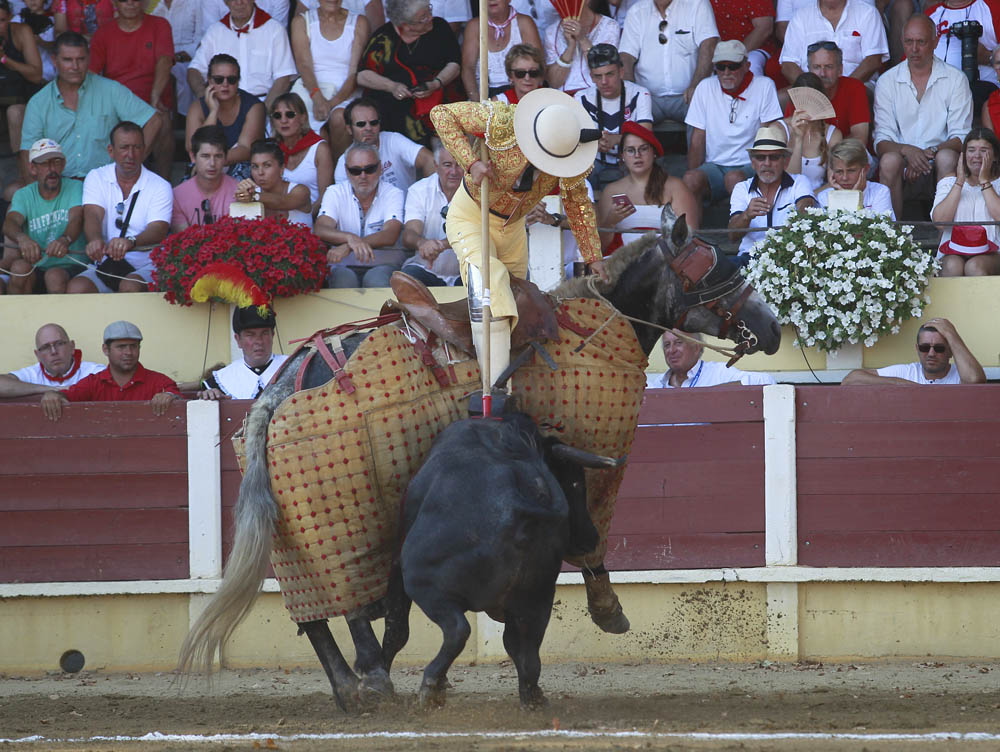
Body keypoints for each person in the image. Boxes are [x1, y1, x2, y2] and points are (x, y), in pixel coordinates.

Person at [429, 89, 607, 389]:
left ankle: (502, 380)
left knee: (519, 300)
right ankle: (496, 389)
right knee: (491, 282)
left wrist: (593, 257)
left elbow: (577, 204)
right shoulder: (501, 120)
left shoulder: (570, 146)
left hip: (513, 228)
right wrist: (470, 163)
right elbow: (440, 114)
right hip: (472, 214)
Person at [19, 31, 159, 181]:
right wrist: (37, 197)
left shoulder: (110, 90)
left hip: (107, 181)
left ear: (89, 59)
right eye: (67, 60)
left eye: (81, 59)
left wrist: (132, 165)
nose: (75, 66)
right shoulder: (39, 102)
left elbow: (153, 121)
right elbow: (28, 151)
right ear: (54, 60)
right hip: (60, 186)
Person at [874, 14, 971, 220]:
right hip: (902, 160)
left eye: (921, 42)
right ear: (902, 42)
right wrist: (908, 151)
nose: (914, 49)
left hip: (939, 156)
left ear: (935, 42)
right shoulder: (887, 81)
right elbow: (881, 141)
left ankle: (944, 238)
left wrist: (927, 154)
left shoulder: (956, 79)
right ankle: (890, 239)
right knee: (889, 161)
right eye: (909, 42)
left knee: (947, 158)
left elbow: (961, 137)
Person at [71, 121, 173, 294]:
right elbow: (93, 215)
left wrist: (131, 241)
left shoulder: (160, 185)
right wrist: (95, 239)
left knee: (129, 286)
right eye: (124, 147)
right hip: (106, 264)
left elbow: (158, 229)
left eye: (136, 147)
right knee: (77, 288)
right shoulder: (96, 177)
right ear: (111, 151)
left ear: (144, 149)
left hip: (145, 265)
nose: (130, 155)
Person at [683, 39, 783, 204]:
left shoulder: (764, 85)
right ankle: (691, 230)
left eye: (733, 66)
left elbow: (768, 133)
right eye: (721, 67)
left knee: (734, 179)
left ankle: (740, 229)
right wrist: (696, 172)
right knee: (690, 179)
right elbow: (697, 139)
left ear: (747, 65)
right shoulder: (705, 87)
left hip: (749, 164)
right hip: (714, 165)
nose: (726, 72)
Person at [87, 0, 175, 178]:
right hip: (117, 103)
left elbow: (165, 60)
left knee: (162, 119)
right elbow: (91, 75)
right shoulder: (103, 33)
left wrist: (155, 95)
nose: (130, 3)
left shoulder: (160, 25)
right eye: (123, 0)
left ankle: (163, 183)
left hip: (151, 99)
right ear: (114, 3)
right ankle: (122, 176)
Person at [356, 0, 463, 144]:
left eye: (429, 10)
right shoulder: (383, 37)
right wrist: (392, 86)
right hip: (394, 111)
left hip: (437, 106)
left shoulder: (440, 27)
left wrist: (436, 83)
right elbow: (362, 76)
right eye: (423, 18)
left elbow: (455, 64)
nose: (430, 17)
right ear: (405, 24)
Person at [40, 320, 182, 420]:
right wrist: (53, 395)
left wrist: (170, 396)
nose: (128, 352)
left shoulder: (159, 381)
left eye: (133, 346)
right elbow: (67, 396)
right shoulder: (93, 383)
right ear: (105, 349)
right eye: (121, 347)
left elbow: (176, 396)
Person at [2, 138, 87, 294]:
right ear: (33, 168)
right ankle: (18, 318)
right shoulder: (24, 194)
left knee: (54, 276)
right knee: (19, 268)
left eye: (56, 162)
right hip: (37, 266)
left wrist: (65, 239)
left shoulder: (75, 187)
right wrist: (22, 239)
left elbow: (77, 218)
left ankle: (57, 319)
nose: (51, 169)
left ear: (63, 165)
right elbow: (10, 222)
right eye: (44, 164)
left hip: (72, 266)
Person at [598, 122, 700, 250]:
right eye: (630, 150)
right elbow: (599, 248)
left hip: (666, 263)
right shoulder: (611, 191)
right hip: (620, 264)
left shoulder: (676, 188)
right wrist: (610, 222)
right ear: (622, 156)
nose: (637, 155)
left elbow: (689, 240)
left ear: (654, 153)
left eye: (643, 148)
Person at [315, 142, 405, 287]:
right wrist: (350, 238)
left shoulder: (393, 193)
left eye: (370, 169)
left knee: (377, 281)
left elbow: (390, 234)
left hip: (384, 264)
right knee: (343, 281)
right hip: (343, 266)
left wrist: (349, 246)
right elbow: (320, 229)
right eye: (355, 171)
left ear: (380, 168)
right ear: (346, 170)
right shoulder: (334, 192)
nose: (363, 176)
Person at [619, 0, 718, 124]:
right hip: (648, 96)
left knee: (704, 117)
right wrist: (630, 88)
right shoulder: (636, 11)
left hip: (688, 95)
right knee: (630, 120)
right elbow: (626, 55)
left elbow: (709, 46)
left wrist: (696, 86)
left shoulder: (697, 4)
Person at [729, 123, 817, 260]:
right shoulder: (742, 188)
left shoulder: (799, 182)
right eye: (760, 158)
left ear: (785, 162)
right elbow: (732, 236)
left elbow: (806, 207)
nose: (767, 163)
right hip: (749, 258)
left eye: (774, 157)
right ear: (753, 163)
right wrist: (746, 215)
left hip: (788, 257)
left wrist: (799, 217)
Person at [187, 0, 296, 111]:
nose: (239, 2)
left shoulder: (275, 30)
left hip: (263, 104)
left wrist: (262, 112)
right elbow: (195, 70)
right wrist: (206, 100)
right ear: (226, 2)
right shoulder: (215, 32)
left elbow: (283, 78)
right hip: (223, 108)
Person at [574, 43, 653, 192]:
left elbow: (646, 135)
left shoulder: (640, 94)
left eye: (610, 74)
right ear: (591, 77)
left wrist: (616, 140)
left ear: (621, 72)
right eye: (598, 76)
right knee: (574, 175)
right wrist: (595, 144)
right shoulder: (581, 98)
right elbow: (574, 137)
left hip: (631, 161)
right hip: (594, 161)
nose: (604, 82)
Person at [289, 0, 369, 144]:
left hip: (346, 92)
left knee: (339, 117)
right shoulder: (301, 21)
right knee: (290, 115)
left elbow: (354, 72)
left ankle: (337, 164)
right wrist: (318, 98)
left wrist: (331, 104)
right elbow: (304, 65)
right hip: (311, 89)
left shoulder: (359, 22)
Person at [184, 53, 266, 181]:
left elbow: (246, 149)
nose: (225, 84)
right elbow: (192, 147)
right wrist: (213, 112)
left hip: (239, 164)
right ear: (210, 81)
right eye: (218, 79)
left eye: (231, 80)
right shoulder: (197, 107)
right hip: (205, 165)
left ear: (238, 81)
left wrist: (213, 161)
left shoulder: (254, 106)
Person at [930, 127, 1000, 277]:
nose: (976, 156)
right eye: (971, 150)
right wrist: (959, 182)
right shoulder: (950, 181)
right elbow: (940, 222)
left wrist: (984, 181)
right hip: (953, 251)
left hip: (994, 253)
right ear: (963, 155)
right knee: (952, 266)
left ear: (994, 156)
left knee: (974, 266)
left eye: (983, 150)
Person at [842, 318, 986, 385]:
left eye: (939, 348)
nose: (931, 353)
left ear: (950, 351)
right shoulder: (907, 373)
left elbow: (975, 380)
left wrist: (952, 335)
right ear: (917, 349)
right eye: (924, 347)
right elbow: (850, 380)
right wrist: (901, 384)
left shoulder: (960, 375)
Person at [779, 0, 888, 87]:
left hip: (857, 86)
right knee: (779, 101)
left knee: (861, 94)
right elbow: (788, 64)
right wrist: (811, 91)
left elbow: (873, 60)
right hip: (812, 91)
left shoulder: (867, 13)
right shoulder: (800, 16)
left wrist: (842, 90)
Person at [333, 98, 435, 191]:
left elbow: (429, 160)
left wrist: (426, 199)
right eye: (361, 124)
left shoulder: (393, 140)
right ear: (349, 129)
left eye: (374, 123)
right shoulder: (343, 163)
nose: (368, 128)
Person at [400, 141, 463, 286]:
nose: (454, 171)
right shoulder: (419, 190)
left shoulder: (476, 193)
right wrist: (422, 243)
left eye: (459, 164)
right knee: (406, 279)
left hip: (464, 272)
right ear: (436, 166)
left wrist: (441, 244)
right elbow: (409, 234)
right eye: (447, 165)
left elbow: (475, 234)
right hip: (426, 270)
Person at [198, 306, 289, 399]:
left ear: (272, 336)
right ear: (238, 340)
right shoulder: (222, 379)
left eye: (264, 333)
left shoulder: (292, 367)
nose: (259, 341)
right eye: (250, 335)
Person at [0, 0, 44, 187]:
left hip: (26, 100)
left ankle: (28, 183)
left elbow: (36, 75)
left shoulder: (21, 32)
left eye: (1, 20)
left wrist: (5, 60)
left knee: (15, 113)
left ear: (10, 18)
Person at [461, 0, 541, 99]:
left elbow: (538, 66)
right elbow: (468, 69)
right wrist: (478, 104)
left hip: (521, 93)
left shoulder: (524, 23)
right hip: (483, 96)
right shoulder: (474, 26)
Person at [269, 92, 334, 217]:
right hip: (277, 221)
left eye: (290, 114)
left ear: (303, 117)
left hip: (312, 218)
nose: (283, 120)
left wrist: (305, 220)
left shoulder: (320, 149)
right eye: (277, 115)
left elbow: (326, 198)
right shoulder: (271, 149)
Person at [0, 323, 103, 398]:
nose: (53, 351)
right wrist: (51, 389)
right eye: (45, 347)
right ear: (38, 355)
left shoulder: (94, 371)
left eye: (59, 344)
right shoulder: (31, 374)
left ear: (72, 347)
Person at [647, 330, 776, 387]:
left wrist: (711, 394)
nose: (672, 350)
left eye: (679, 343)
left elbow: (766, 381)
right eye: (667, 345)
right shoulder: (657, 385)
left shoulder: (717, 373)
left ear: (696, 347)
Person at [171, 125, 239, 232]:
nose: (212, 164)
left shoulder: (239, 192)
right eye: (205, 156)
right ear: (193, 157)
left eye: (218, 156)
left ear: (225, 158)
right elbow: (184, 240)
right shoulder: (177, 196)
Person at [543, 0, 619, 94]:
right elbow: (554, 82)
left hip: (598, 95)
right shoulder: (551, 32)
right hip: (564, 99)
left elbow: (606, 71)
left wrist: (582, 39)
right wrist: (570, 47)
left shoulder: (609, 26)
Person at [783, 72, 842, 192]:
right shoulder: (780, 129)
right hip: (787, 197)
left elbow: (835, 180)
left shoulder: (833, 134)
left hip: (818, 197)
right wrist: (798, 139)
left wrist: (810, 198)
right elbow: (788, 181)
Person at [234, 139, 313, 226]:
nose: (260, 172)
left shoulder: (300, 191)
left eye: (267, 165)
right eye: (255, 166)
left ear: (282, 168)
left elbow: (282, 202)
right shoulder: (250, 194)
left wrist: (253, 196)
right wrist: (242, 195)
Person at [806, 41, 870, 145]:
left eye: (829, 67)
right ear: (809, 70)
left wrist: (828, 153)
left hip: (847, 155)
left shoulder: (854, 88)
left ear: (840, 69)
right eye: (817, 67)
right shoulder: (801, 91)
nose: (822, 74)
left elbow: (860, 137)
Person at [925, 0, 999, 88]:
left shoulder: (993, 7)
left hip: (985, 90)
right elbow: (912, 58)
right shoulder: (930, 15)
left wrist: (988, 57)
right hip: (939, 89)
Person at [149, 0, 203, 115]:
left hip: (190, 60)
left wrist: (176, 57)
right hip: (164, 59)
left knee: (180, 72)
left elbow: (202, 39)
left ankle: (185, 117)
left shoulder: (195, 4)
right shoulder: (158, 9)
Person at [816, 138, 894, 215]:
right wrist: (844, 195)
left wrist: (855, 195)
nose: (845, 178)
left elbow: (880, 227)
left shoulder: (880, 192)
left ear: (866, 169)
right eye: (839, 171)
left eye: (851, 171)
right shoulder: (824, 197)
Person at [709, 0, 777, 77]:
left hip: (754, 49)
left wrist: (735, 54)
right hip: (715, 48)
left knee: (752, 63)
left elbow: (764, 28)